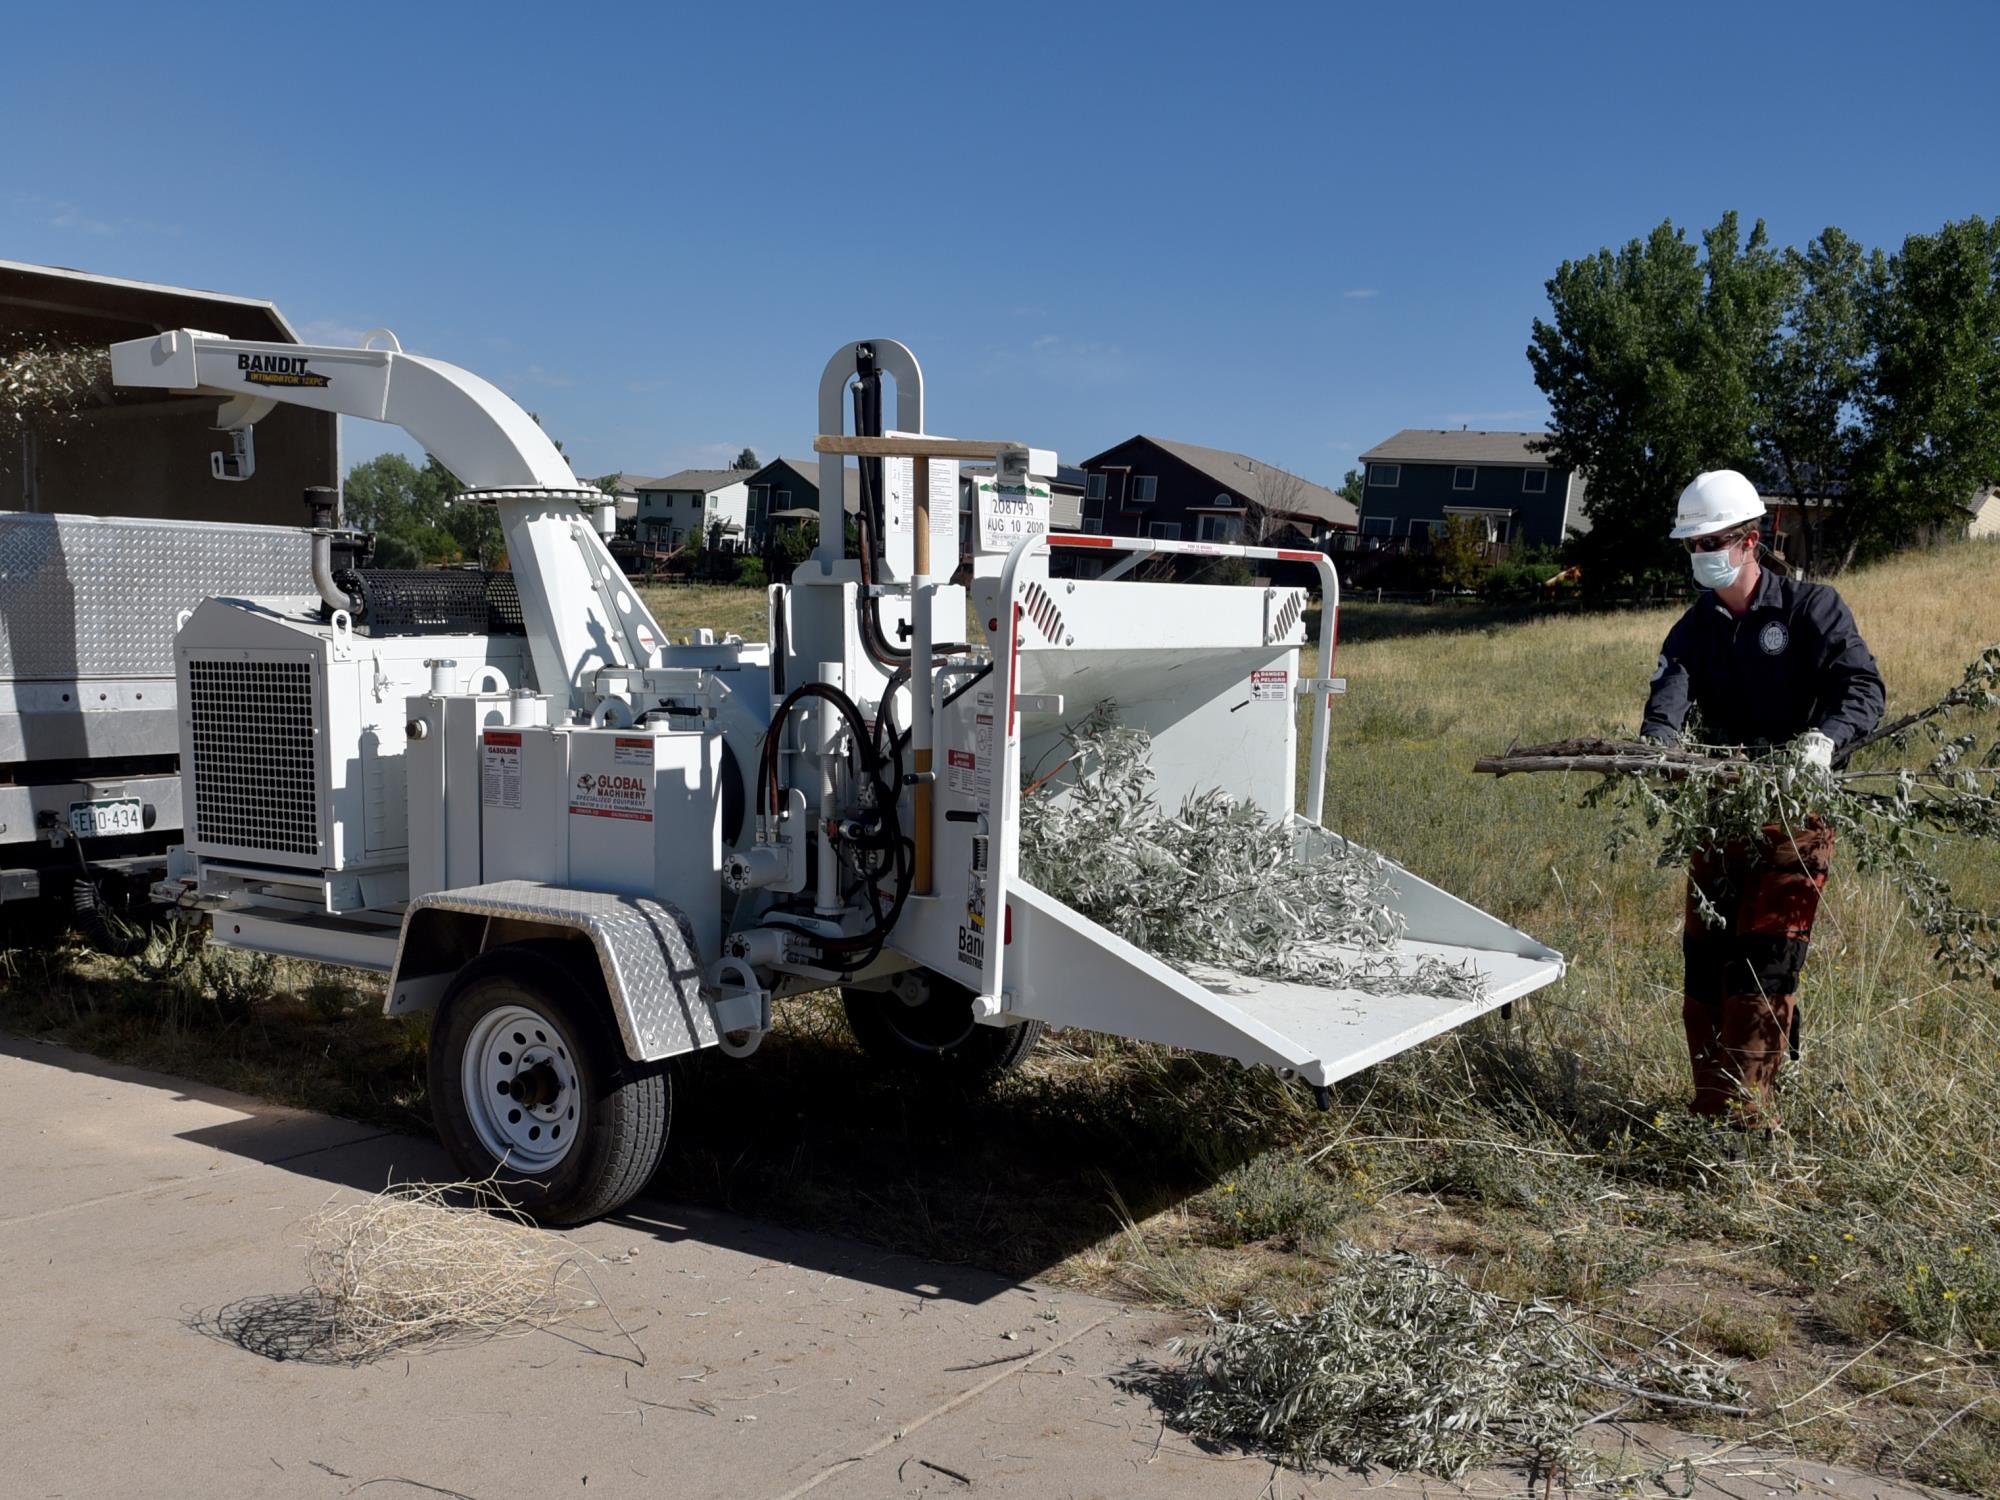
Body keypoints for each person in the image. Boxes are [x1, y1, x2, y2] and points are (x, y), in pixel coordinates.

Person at [1639, 470, 1885, 1127]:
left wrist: (1823, 743)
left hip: (1795, 820)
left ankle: (1747, 1125)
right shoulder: (1692, 630)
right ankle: (1709, 1108)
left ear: (1751, 541)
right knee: (1706, 964)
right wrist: (1657, 750)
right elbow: (1667, 705)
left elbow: (1862, 690)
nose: (1702, 555)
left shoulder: (1813, 610)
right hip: (1720, 815)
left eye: (1713, 541)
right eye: (1691, 545)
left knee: (1764, 968)